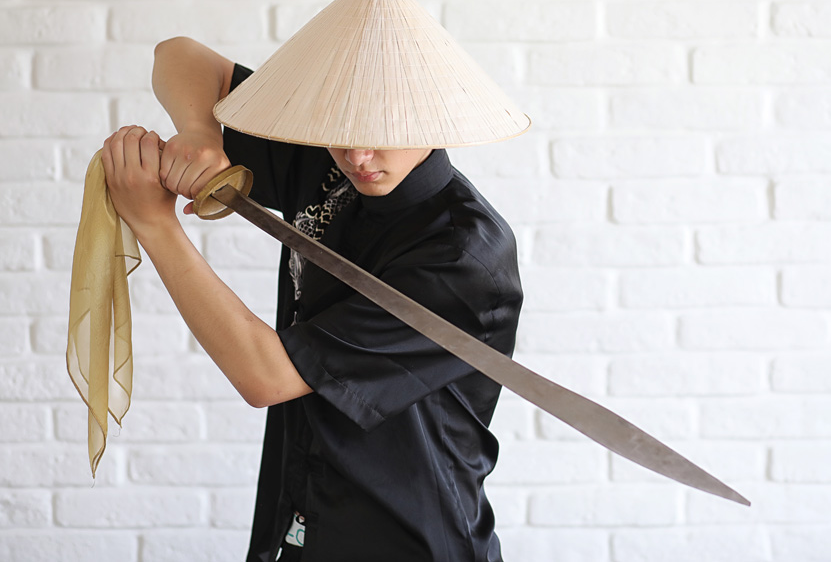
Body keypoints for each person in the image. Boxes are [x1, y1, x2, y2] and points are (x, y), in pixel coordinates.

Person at [101, 30, 524, 561]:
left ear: (430, 116)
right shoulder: (331, 160)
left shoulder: (463, 258)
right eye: (339, 129)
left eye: (381, 132)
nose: (357, 155)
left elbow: (265, 376)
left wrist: (153, 224)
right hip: (301, 525)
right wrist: (201, 131)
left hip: (410, 540)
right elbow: (180, 54)